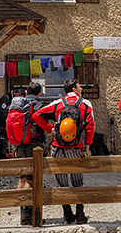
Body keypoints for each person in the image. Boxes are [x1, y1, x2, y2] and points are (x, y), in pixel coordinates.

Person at [33, 77, 95, 224]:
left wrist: (50, 129)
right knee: (78, 182)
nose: (81, 89)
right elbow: (90, 127)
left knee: (61, 183)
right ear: (74, 88)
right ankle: (80, 214)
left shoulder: (57, 103)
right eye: (79, 87)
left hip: (58, 148)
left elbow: (37, 115)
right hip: (76, 149)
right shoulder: (85, 104)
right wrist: (87, 148)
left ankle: (67, 214)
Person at [10, 82, 45, 226]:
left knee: (22, 178)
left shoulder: (18, 104)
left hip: (18, 145)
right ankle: (28, 215)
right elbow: (42, 123)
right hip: (33, 145)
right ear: (39, 93)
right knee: (31, 180)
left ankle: (21, 213)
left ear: (26, 91)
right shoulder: (38, 105)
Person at [0, 86, 25, 158]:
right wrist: (7, 119)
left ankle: (7, 153)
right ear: (16, 94)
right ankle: (2, 156)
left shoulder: (13, 99)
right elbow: (1, 111)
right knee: (3, 139)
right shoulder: (6, 98)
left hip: (8, 122)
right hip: (1, 121)